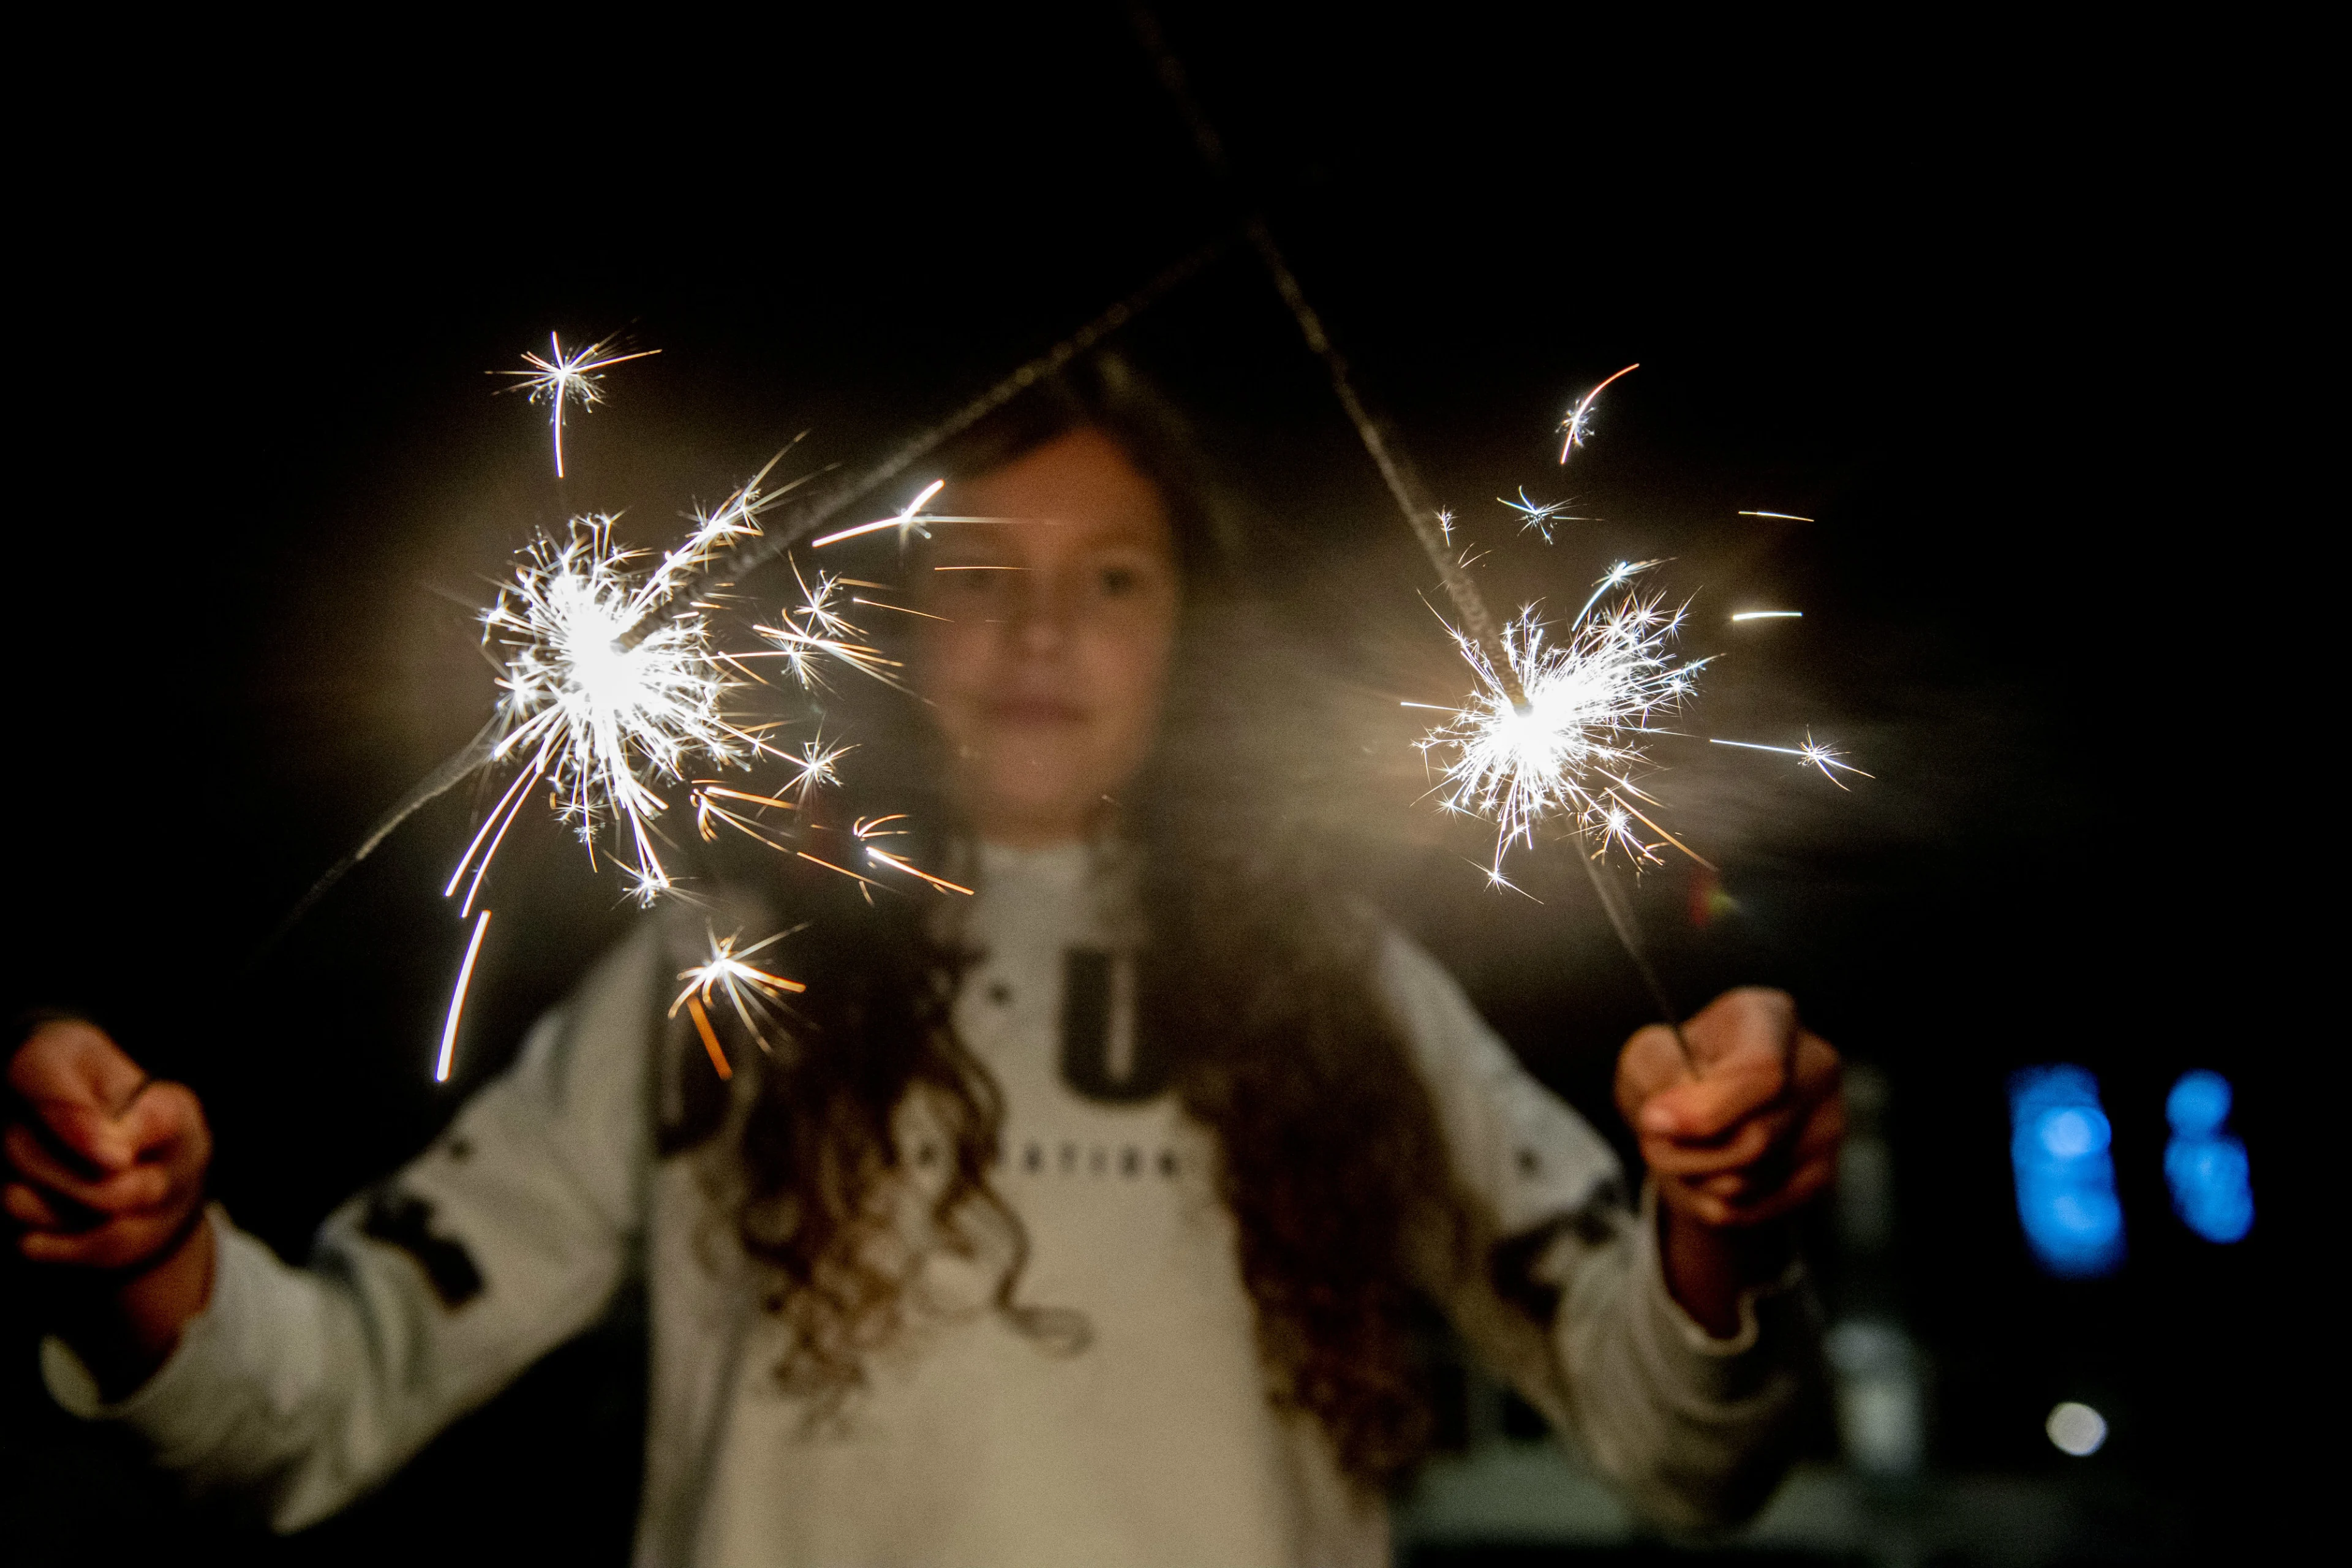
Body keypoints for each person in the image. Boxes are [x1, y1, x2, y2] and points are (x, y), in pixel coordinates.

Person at [4, 361, 1842, 1567]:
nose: (1042, 631)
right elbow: (321, 1396)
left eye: (1113, 578)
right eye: (976, 573)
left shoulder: (1341, 984)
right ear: (888, 615)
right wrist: (150, 1260)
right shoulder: (715, 972)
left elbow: (1687, 1452)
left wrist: (1716, 1234)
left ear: (1190, 627)